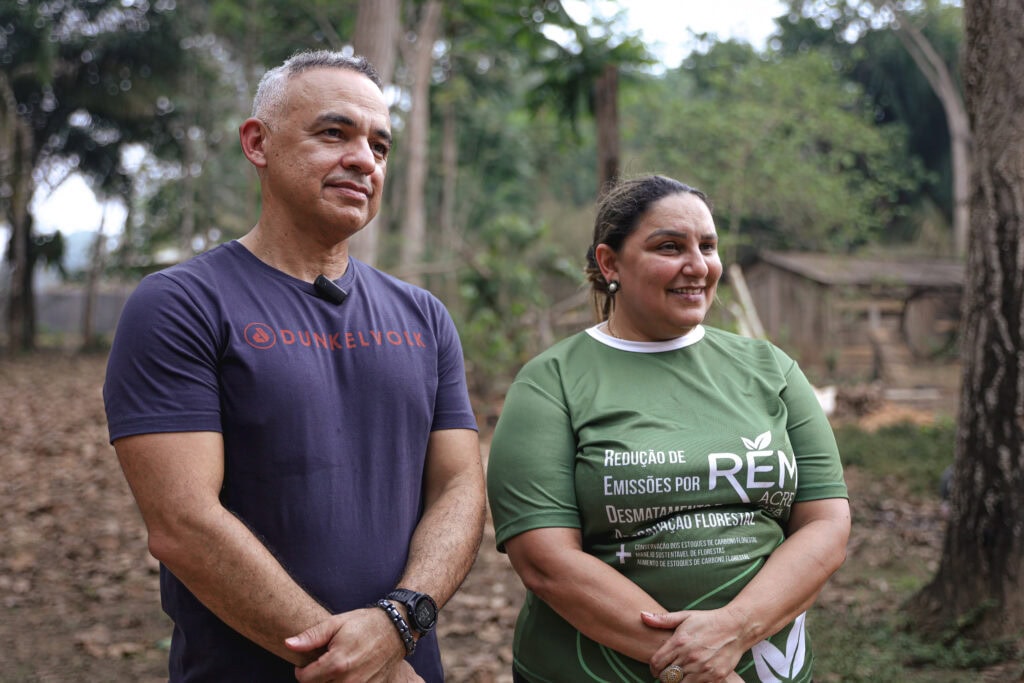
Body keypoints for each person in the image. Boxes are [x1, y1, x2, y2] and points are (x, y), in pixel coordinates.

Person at [103, 50, 485, 683]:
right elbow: (183, 522)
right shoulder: (181, 305)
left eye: (380, 146)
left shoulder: (424, 315)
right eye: (334, 133)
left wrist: (400, 621)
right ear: (258, 143)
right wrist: (362, 666)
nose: (364, 159)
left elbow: (458, 487)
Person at [486, 175, 851, 683]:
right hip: (599, 670)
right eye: (670, 247)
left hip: (763, 663)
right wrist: (697, 664)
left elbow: (826, 524)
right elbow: (545, 560)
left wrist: (735, 631)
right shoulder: (552, 382)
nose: (698, 265)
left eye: (708, 246)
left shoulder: (771, 368)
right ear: (610, 263)